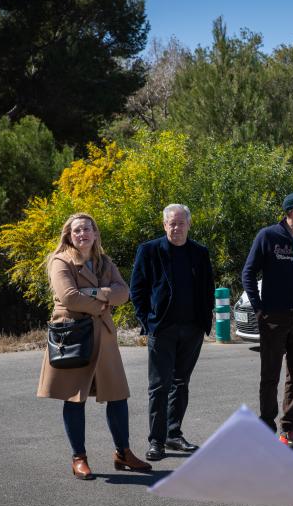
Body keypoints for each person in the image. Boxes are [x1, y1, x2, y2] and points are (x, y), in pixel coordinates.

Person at [37, 213, 151, 480]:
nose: (82, 234)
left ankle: (123, 453)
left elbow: (124, 293)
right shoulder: (61, 260)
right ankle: (79, 458)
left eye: (87, 229)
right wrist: (103, 302)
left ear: (95, 233)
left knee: (117, 395)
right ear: (69, 235)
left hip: (104, 337)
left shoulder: (104, 262)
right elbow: (69, 297)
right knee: (74, 398)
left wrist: (95, 293)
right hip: (73, 336)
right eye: (77, 230)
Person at [130, 204, 214, 461]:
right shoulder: (149, 250)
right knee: (159, 386)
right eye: (172, 223)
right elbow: (137, 290)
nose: (176, 228)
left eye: (181, 223)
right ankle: (156, 441)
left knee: (181, 383)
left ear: (189, 224)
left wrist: (204, 321)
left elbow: (208, 288)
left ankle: (173, 434)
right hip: (162, 329)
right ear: (164, 225)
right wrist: (148, 322)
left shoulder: (199, 252)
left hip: (192, 329)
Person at [242, 192, 293, 448]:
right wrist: (259, 309)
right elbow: (248, 273)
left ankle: (289, 430)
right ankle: (266, 428)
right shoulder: (268, 236)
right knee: (270, 375)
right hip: (274, 317)